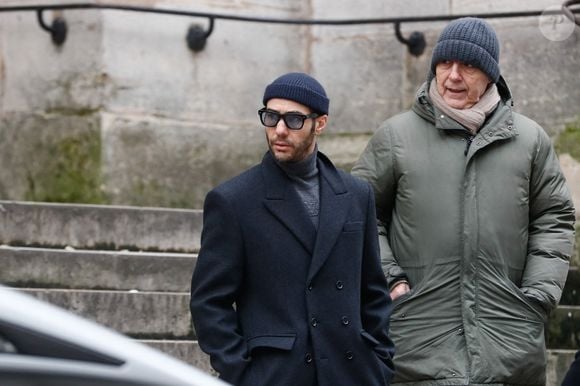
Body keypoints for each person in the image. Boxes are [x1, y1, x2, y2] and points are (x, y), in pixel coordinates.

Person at [352, 17, 575, 385]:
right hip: (417, 340)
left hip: (508, 341)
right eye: (444, 63)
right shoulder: (395, 136)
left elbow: (554, 217)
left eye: (468, 65)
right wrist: (392, 281)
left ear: (490, 74)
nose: (452, 75)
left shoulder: (530, 140)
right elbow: (358, 216)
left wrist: (536, 296)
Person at [190, 72, 395, 386]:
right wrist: (244, 374)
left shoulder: (357, 195)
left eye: (294, 120)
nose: (279, 130)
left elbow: (373, 291)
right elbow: (209, 303)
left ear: (320, 123)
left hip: (351, 373)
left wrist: (378, 361)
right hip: (276, 376)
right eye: (271, 117)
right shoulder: (234, 201)